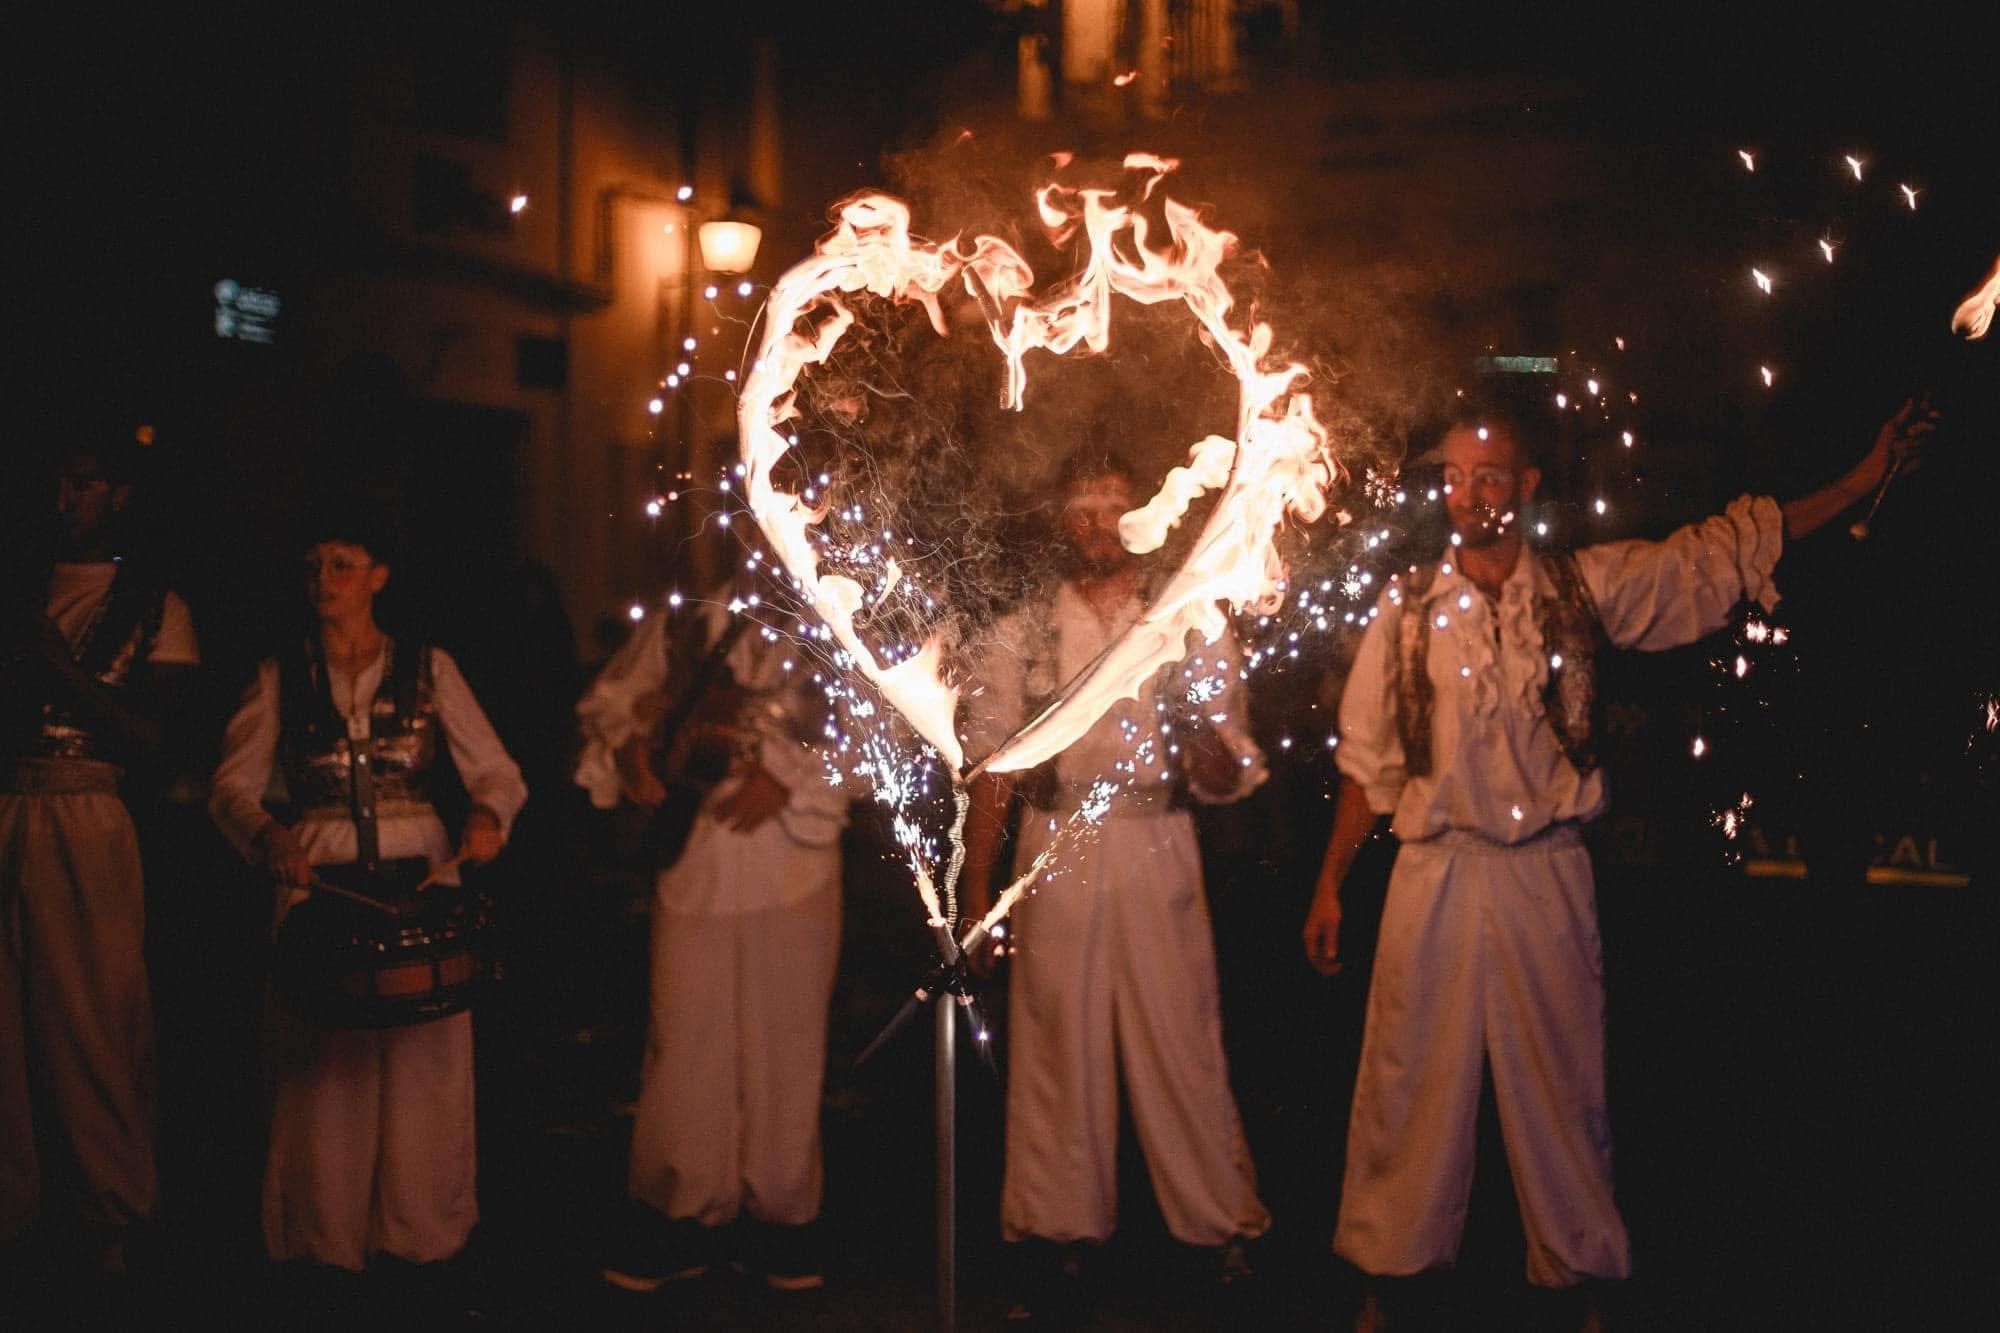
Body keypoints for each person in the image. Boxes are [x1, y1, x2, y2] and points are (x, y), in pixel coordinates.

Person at [1302, 398, 1937, 1328]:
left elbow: (1711, 558)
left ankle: (1580, 1281)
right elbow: (1366, 763)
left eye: (1490, 476)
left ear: (1524, 485)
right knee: (1402, 1082)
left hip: (1545, 871)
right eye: (1455, 476)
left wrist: (1855, 478)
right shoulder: (1406, 610)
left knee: (1563, 1087)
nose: (1470, 494)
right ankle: (1386, 1281)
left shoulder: (1580, 587)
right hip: (1432, 873)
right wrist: (1328, 883)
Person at [959, 447, 1272, 1317]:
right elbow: (992, 766)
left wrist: (1208, 753)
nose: (1097, 524)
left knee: (1182, 1036)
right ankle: (1057, 1238)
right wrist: (978, 892)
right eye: (1081, 508)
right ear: (1062, 521)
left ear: (1146, 514)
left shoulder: (1188, 619)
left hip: (1153, 836)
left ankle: (1218, 1232)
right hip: (1055, 842)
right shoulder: (1024, 628)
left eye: (1113, 505)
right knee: (1055, 1042)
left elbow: (1227, 753)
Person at [208, 506, 526, 1275]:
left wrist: (486, 816)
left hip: (420, 870)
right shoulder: (281, 672)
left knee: (425, 1058)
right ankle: (324, 1237)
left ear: (379, 575)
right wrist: (271, 837)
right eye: (314, 564)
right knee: (322, 1058)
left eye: (342, 563)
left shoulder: (430, 666)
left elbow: (499, 773)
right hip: (318, 873)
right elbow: (231, 788)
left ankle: (421, 1232)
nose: (324, 580)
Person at [578, 581, 847, 1293]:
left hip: (792, 863)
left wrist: (790, 776)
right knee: (685, 1035)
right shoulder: (683, 618)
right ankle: (680, 1212)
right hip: (695, 859)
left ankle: (780, 1218)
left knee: (785, 1040)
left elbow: (881, 729)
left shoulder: (842, 612)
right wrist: (634, 750)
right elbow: (608, 702)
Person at [1, 431, 198, 1279]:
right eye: (57, 483)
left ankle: (109, 1206)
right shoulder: (22, 591)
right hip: (12, 802)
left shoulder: (156, 604)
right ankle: (19, 1204)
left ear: (118, 493)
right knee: (10, 1020)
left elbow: (157, 739)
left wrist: (60, 672)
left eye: (81, 484)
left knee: (90, 1012)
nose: (62, 502)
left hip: (89, 811)